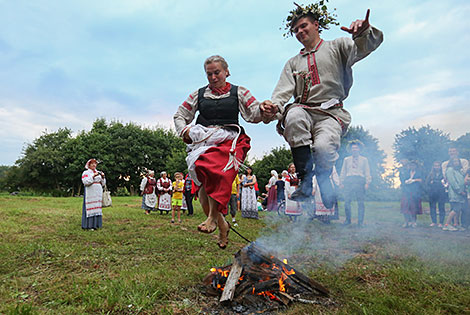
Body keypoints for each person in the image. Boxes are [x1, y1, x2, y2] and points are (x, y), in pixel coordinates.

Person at [261, 4, 383, 208]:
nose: (300, 32)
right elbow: (282, 92)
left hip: (331, 113)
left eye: (303, 26)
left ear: (316, 25)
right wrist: (274, 106)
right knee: (293, 116)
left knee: (324, 148)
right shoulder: (293, 63)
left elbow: (362, 49)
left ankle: (325, 181)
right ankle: (305, 181)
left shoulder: (337, 46)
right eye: (296, 30)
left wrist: (363, 34)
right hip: (304, 109)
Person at [173, 55, 268, 248]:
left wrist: (266, 109)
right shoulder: (198, 94)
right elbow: (180, 114)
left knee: (218, 170)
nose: (213, 77)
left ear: (226, 72)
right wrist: (185, 130)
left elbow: (254, 113)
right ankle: (222, 225)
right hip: (204, 138)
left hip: (230, 139)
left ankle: (212, 219)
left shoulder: (239, 92)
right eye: (209, 74)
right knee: (202, 181)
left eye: (217, 72)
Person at [340, 141, 371, 226]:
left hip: (360, 180)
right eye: (353, 148)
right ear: (350, 150)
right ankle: (347, 220)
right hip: (349, 180)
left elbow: (367, 171)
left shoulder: (364, 160)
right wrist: (341, 182)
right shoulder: (346, 159)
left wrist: (367, 182)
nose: (354, 150)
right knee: (347, 201)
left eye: (356, 148)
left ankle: (360, 222)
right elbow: (343, 171)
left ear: (359, 149)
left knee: (360, 202)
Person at [81, 159, 105, 230]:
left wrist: (103, 177)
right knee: (90, 207)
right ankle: (88, 225)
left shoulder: (98, 172)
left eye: (95, 164)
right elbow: (85, 182)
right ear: (89, 165)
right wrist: (93, 176)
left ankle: (96, 225)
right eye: (92, 164)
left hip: (98, 192)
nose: (94, 165)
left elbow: (103, 183)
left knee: (97, 207)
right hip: (90, 192)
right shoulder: (86, 172)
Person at [443, 158, 467, 231]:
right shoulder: (450, 170)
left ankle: (456, 224)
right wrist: (459, 191)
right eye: (454, 161)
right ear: (451, 162)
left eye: (457, 161)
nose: (456, 163)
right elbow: (452, 182)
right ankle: (446, 225)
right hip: (455, 193)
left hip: (460, 193)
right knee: (455, 209)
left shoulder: (458, 171)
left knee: (458, 209)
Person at [400, 160, 423, 228]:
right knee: (405, 207)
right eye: (411, 165)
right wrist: (406, 181)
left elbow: (421, 180)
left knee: (413, 207)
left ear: (416, 166)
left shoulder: (419, 172)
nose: (412, 166)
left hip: (415, 192)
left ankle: (413, 222)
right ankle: (406, 221)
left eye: (413, 165)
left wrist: (414, 180)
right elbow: (403, 180)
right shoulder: (407, 172)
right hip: (406, 192)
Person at [425, 161, 446, 227]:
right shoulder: (430, 174)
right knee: (432, 208)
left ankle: (441, 222)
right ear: (433, 167)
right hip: (432, 193)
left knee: (441, 207)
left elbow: (446, 183)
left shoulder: (443, 174)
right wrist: (429, 189)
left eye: (438, 166)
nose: (436, 167)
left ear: (440, 167)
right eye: (435, 166)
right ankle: (434, 222)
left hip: (441, 193)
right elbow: (426, 183)